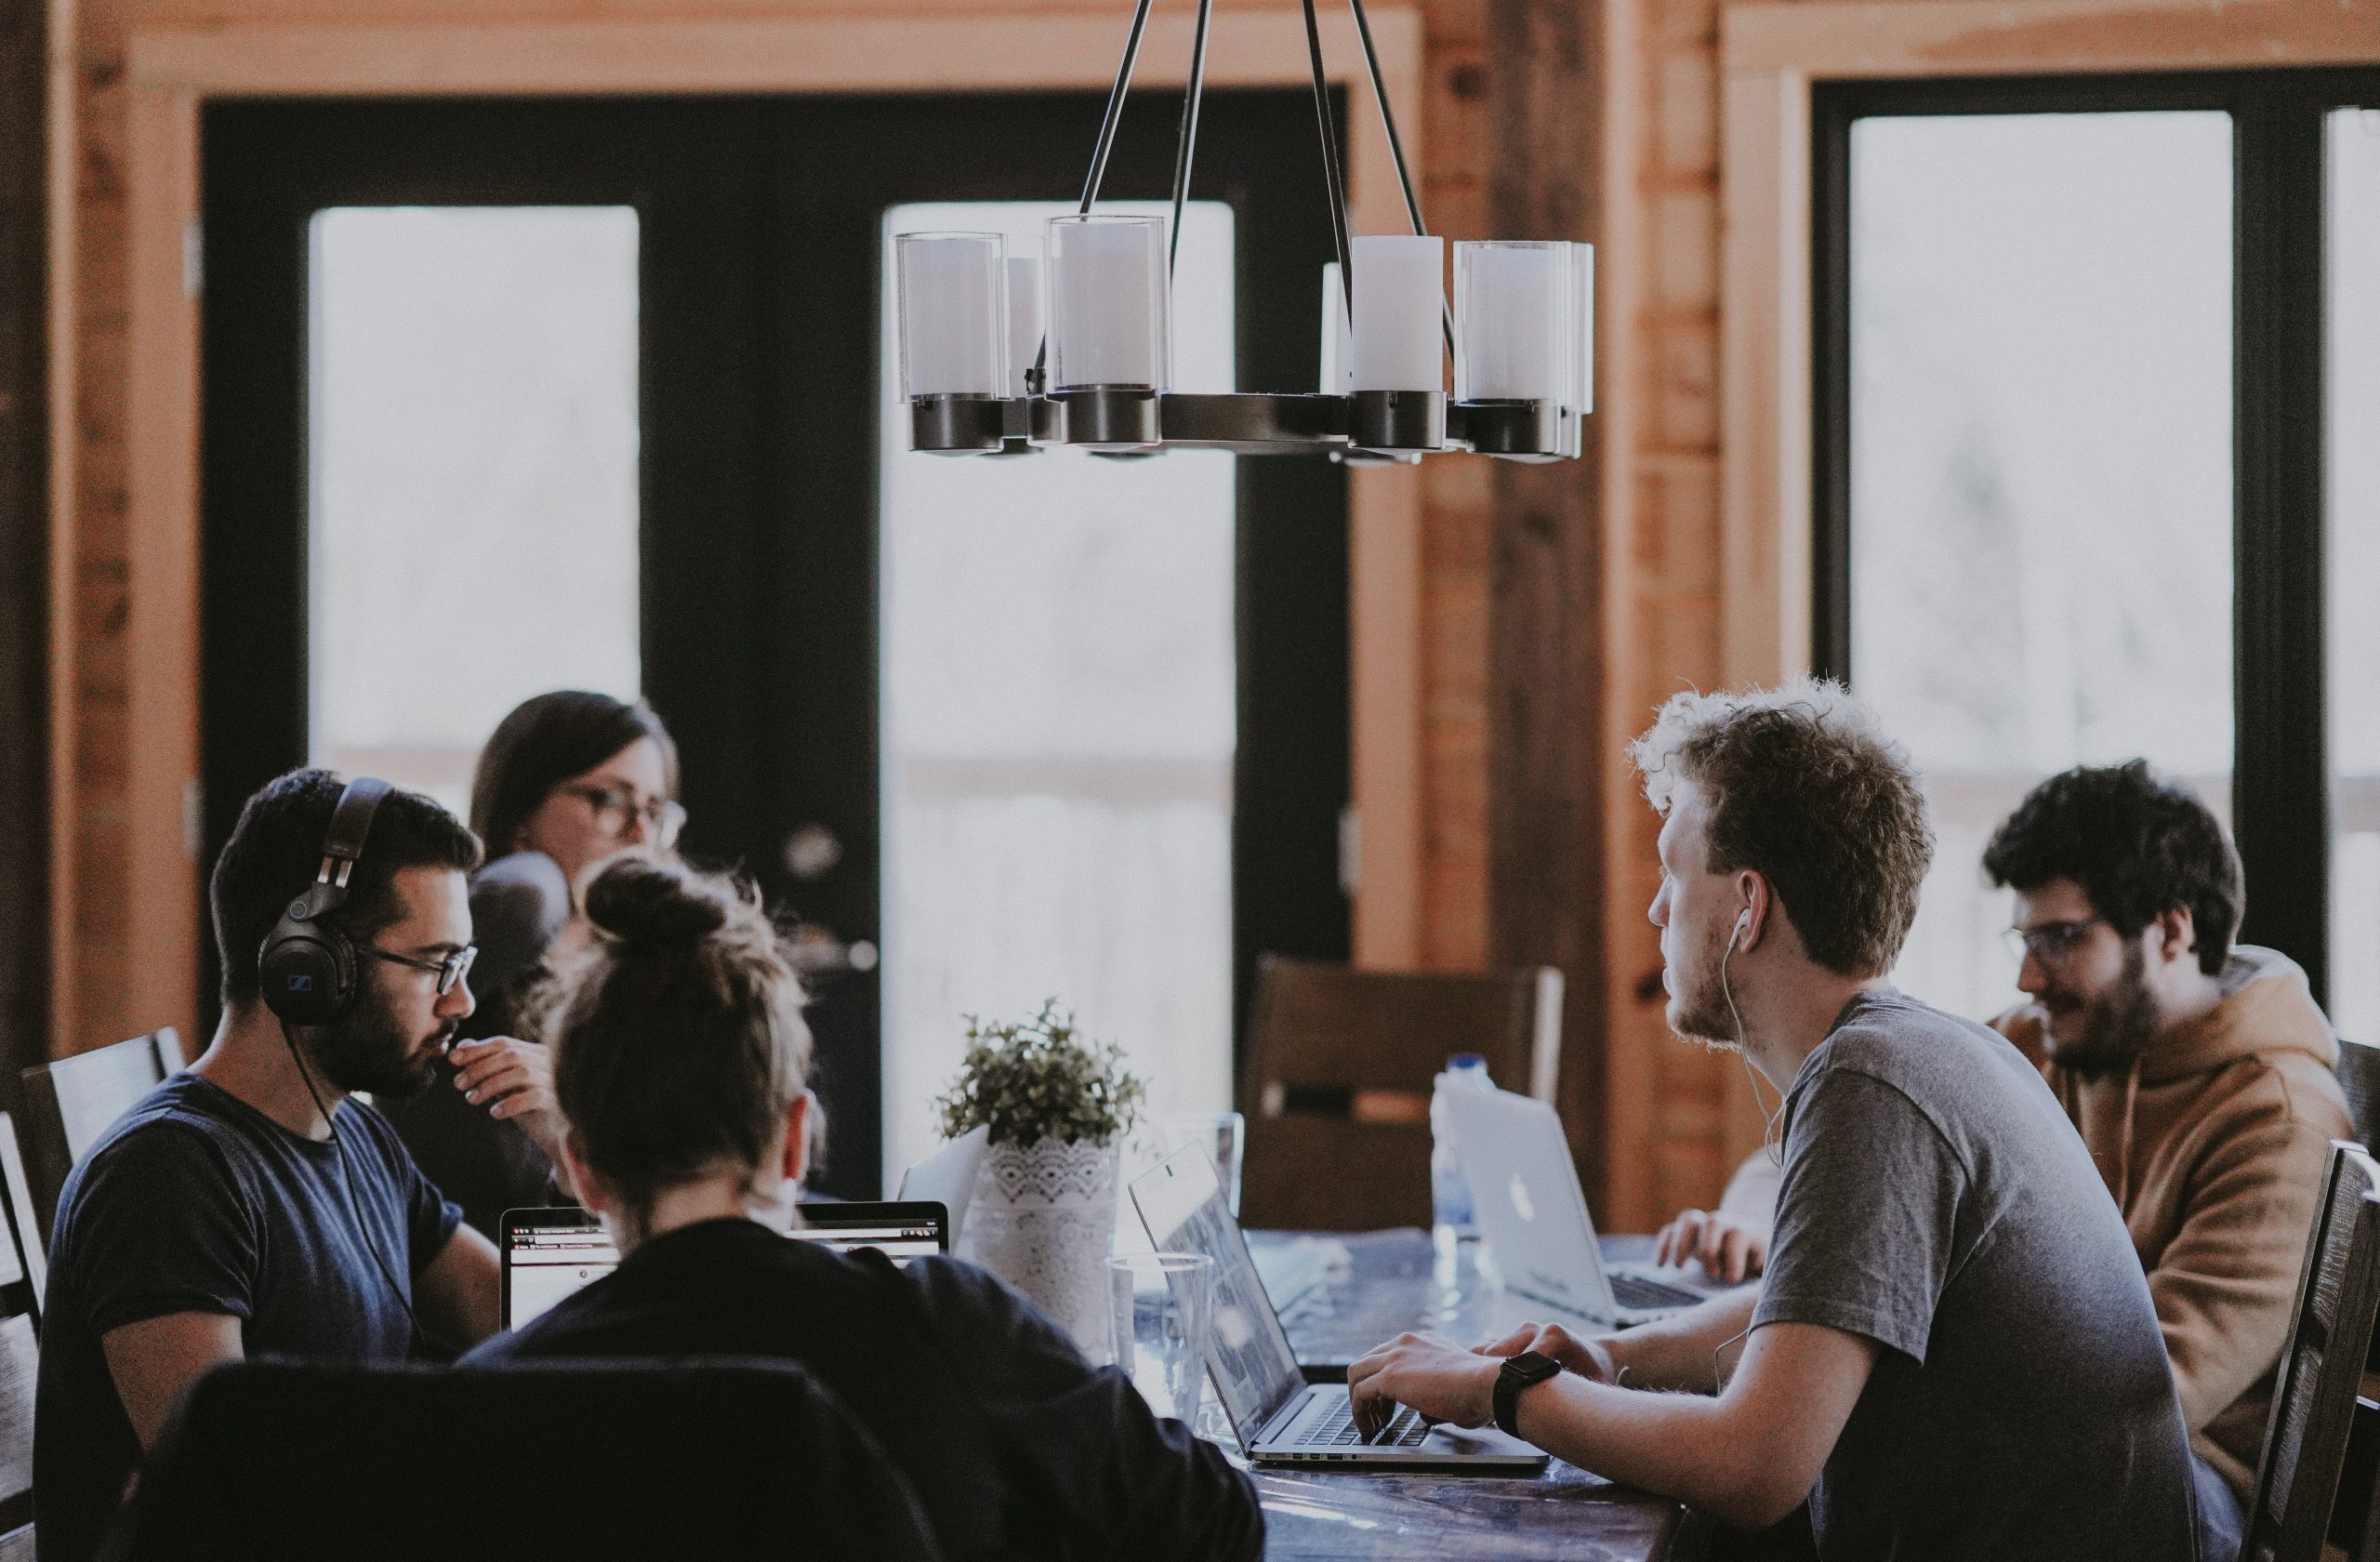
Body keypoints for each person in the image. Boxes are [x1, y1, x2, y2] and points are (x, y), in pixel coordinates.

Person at [1347, 682, 2199, 1560]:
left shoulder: (1872, 1083)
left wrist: (1500, 1390)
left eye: (1673, 874)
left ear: (1748, 908)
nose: (1656, 909)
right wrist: (1611, 1356)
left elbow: (1755, 1466)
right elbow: (1818, 1303)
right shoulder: (1929, 1051)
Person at [462, 854, 1263, 1562]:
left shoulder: (491, 1402)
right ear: (794, 1139)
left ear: (584, 1169)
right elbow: (1216, 1525)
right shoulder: (946, 1325)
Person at [1652, 761, 2348, 1553]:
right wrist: (1749, 1221)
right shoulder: (2038, 1040)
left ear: (2172, 930)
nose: (2026, 975)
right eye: (2023, 937)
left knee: (1759, 1474)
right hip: (2039, 1447)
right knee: (1728, 1486)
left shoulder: (2280, 1118)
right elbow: (1847, 1152)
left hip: (2182, 1495)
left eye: (2059, 939)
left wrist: (1821, 1370)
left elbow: (2145, 1393)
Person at [33, 770, 559, 1562]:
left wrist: (572, 1142)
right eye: (436, 965)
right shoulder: (168, 1175)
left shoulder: (359, 1139)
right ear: (307, 965)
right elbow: (228, 1505)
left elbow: (545, 1329)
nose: (461, 1003)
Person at [381, 691, 682, 1239]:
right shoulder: (483, 947)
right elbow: (521, 895)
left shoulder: (651, 970)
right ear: (522, 810)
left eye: (656, 811)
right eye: (612, 800)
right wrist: (537, 877)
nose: (640, 834)